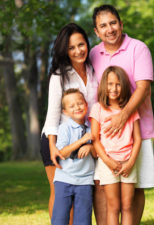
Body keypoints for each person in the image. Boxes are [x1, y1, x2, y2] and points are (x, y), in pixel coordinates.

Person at [90, 4, 154, 225]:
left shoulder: (138, 48)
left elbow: (143, 87)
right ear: (96, 31)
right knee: (102, 187)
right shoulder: (93, 54)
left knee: (136, 188)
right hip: (105, 137)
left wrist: (124, 115)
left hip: (138, 130)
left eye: (113, 23)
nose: (109, 29)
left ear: (121, 24)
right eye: (103, 25)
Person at [40, 23, 98, 224]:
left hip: (86, 138)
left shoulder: (93, 71)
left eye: (81, 45)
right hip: (57, 141)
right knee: (60, 194)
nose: (77, 51)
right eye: (71, 48)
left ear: (87, 44)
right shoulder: (59, 75)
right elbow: (52, 116)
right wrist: (53, 148)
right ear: (65, 50)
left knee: (82, 195)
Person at [90, 66, 142, 225]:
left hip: (128, 163)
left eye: (118, 84)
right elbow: (95, 139)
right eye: (110, 84)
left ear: (124, 86)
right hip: (108, 163)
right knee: (113, 206)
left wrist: (131, 162)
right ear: (103, 85)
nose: (114, 88)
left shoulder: (130, 111)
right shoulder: (98, 108)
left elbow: (138, 139)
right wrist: (108, 161)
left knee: (127, 206)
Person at [51, 88, 96, 225]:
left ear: (86, 105)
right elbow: (62, 153)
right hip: (64, 179)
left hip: (85, 181)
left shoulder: (92, 129)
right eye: (71, 106)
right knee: (60, 218)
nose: (77, 107)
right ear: (65, 112)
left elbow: (97, 154)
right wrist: (82, 141)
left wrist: (90, 146)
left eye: (80, 103)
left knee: (83, 219)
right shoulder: (65, 128)